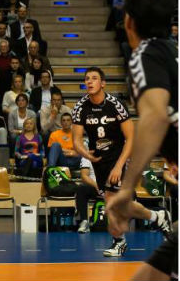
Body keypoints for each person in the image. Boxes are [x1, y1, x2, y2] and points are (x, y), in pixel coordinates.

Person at [106, 0, 177, 279]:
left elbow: (155, 116)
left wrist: (127, 188)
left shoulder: (144, 55)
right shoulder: (172, 52)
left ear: (129, 22)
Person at [72, 67, 169, 258]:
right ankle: (157, 217)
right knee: (121, 205)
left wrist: (118, 166)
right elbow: (76, 140)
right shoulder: (80, 107)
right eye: (87, 78)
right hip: (98, 161)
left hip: (119, 157)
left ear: (103, 83)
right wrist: (85, 154)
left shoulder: (115, 105)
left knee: (111, 202)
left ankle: (119, 242)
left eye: (94, 78)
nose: (89, 81)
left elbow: (131, 138)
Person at [76, 154, 101, 234]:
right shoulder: (87, 156)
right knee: (81, 189)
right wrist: (97, 186)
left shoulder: (111, 155)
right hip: (94, 187)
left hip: (109, 186)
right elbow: (84, 176)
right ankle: (84, 221)